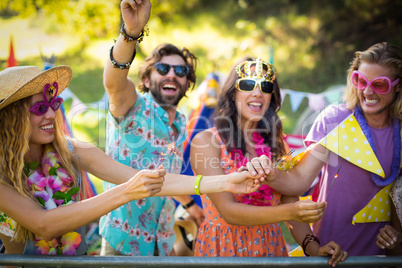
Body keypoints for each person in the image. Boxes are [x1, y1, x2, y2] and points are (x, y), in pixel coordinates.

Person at [0, 65, 265, 266]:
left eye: (53, 104)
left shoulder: (70, 151)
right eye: (39, 108)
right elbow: (43, 224)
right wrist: (127, 191)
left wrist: (225, 182)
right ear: (12, 117)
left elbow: (147, 179)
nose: (51, 114)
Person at [246, 42, 402, 257]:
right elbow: (299, 179)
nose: (367, 91)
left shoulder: (399, 131)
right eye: (361, 80)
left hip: (383, 256)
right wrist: (269, 174)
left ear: (398, 85)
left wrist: (397, 236)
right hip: (330, 250)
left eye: (380, 85)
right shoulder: (335, 119)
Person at [189, 57, 347, 266]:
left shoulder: (277, 145)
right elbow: (229, 212)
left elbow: (289, 202)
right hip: (223, 248)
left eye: (265, 86)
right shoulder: (207, 142)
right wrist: (289, 212)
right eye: (247, 84)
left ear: (271, 97)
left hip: (270, 247)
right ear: (232, 93)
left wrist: (314, 247)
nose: (257, 92)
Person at [99, 0, 204, 257]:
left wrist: (191, 205)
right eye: (162, 68)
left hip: (163, 243)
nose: (172, 74)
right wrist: (131, 33)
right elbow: (113, 82)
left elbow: (165, 177)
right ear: (146, 78)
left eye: (181, 70)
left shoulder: (181, 123)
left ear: (186, 84)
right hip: (121, 242)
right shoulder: (132, 106)